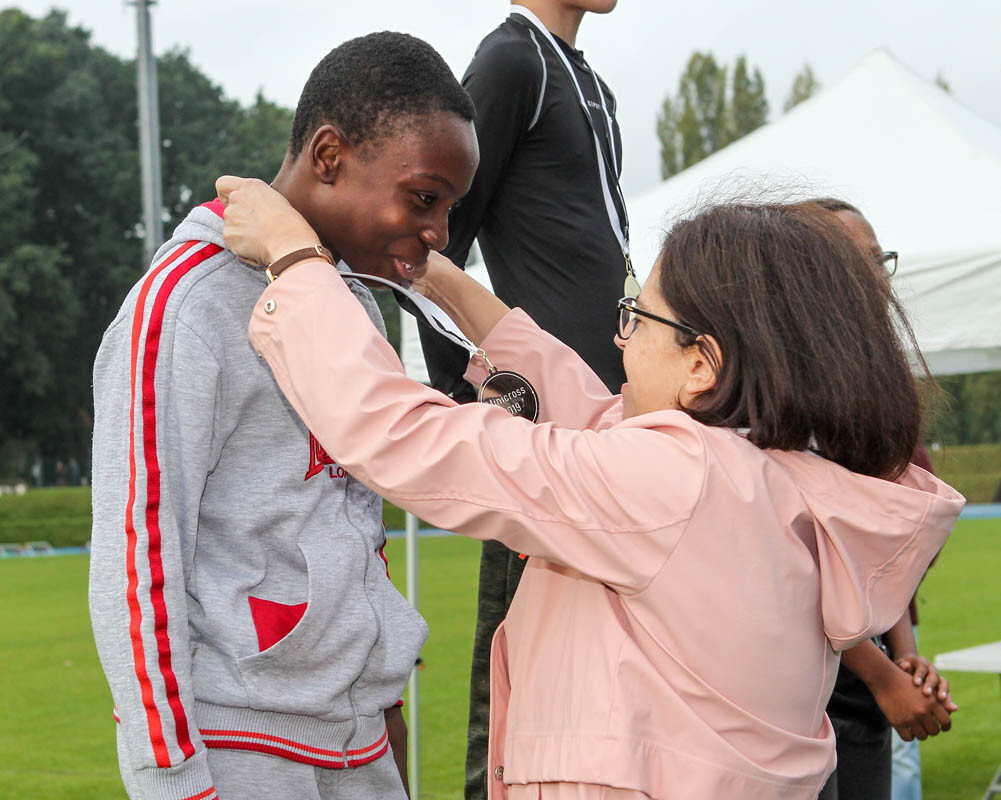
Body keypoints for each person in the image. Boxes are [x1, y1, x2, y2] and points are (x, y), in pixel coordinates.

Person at [219, 177, 964, 799]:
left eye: (638, 317)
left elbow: (410, 438)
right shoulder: (773, 473)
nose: (618, 337)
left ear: (702, 364)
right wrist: (437, 277)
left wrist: (296, 262)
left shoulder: (676, 481)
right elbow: (587, 413)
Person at [88, 33, 478, 800]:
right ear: (328, 156)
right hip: (241, 746)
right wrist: (173, 780)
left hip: (360, 744)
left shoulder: (351, 303)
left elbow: (353, 518)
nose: (437, 232)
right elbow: (136, 564)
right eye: (423, 198)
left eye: (449, 209)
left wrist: (386, 712)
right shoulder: (183, 309)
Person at [417, 4, 627, 793]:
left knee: (590, 677)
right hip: (546, 430)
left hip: (612, 421)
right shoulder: (512, 61)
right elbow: (438, 234)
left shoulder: (589, 80)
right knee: (511, 683)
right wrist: (473, 393)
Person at [815, 198, 955, 800]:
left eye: (880, 260)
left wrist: (905, 656)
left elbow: (876, 544)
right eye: (858, 262)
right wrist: (881, 676)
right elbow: (806, 558)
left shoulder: (865, 377)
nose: (877, 279)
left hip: (860, 686)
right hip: (804, 690)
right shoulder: (780, 385)